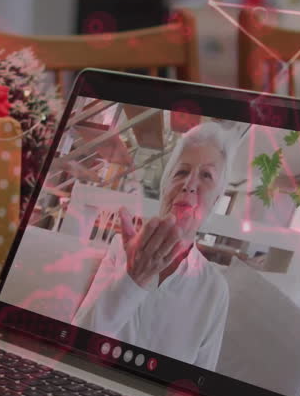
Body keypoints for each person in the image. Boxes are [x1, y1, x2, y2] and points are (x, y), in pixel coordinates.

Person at [72, 123, 235, 371]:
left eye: (206, 176)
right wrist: (133, 278)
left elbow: (199, 388)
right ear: (164, 187)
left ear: (216, 200)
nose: (189, 184)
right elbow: (77, 344)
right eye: (181, 172)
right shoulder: (121, 249)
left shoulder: (214, 290)